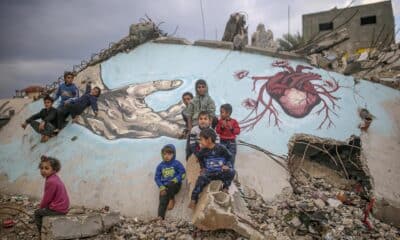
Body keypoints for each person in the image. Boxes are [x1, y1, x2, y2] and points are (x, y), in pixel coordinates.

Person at [188, 128, 235, 209]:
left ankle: (225, 188)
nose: (200, 142)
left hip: (220, 171)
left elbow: (230, 157)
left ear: (209, 140)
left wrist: (228, 165)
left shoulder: (221, 148)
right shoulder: (203, 151)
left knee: (231, 172)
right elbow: (199, 158)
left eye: (201, 139)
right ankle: (193, 199)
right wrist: (202, 168)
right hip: (209, 173)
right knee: (201, 178)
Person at [34, 156, 69, 234]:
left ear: (54, 170)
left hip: (59, 209)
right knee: (43, 210)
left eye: (46, 168)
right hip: (62, 206)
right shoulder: (54, 177)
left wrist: (41, 207)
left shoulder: (51, 181)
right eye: (41, 168)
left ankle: (42, 234)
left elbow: (47, 198)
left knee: (37, 213)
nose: (43, 170)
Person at [154, 144, 186, 219]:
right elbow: (157, 178)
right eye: (164, 154)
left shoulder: (176, 163)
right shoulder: (160, 166)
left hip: (175, 185)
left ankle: (172, 199)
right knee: (162, 200)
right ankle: (160, 218)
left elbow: (183, 173)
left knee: (171, 184)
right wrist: (161, 187)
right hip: (165, 187)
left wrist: (176, 179)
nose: (166, 156)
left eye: (169, 154)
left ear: (173, 154)